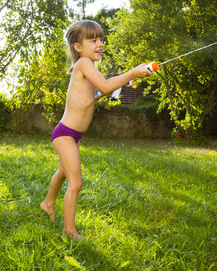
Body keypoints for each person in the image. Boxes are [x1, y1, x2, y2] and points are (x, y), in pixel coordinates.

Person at [40, 20, 153, 241]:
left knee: (63, 173)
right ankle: (69, 231)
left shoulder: (87, 67)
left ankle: (48, 203)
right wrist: (132, 73)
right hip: (64, 134)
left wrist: (115, 85)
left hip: (74, 135)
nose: (100, 43)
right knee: (76, 182)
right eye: (93, 40)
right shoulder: (83, 63)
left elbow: (97, 91)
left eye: (101, 39)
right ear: (78, 47)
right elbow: (104, 85)